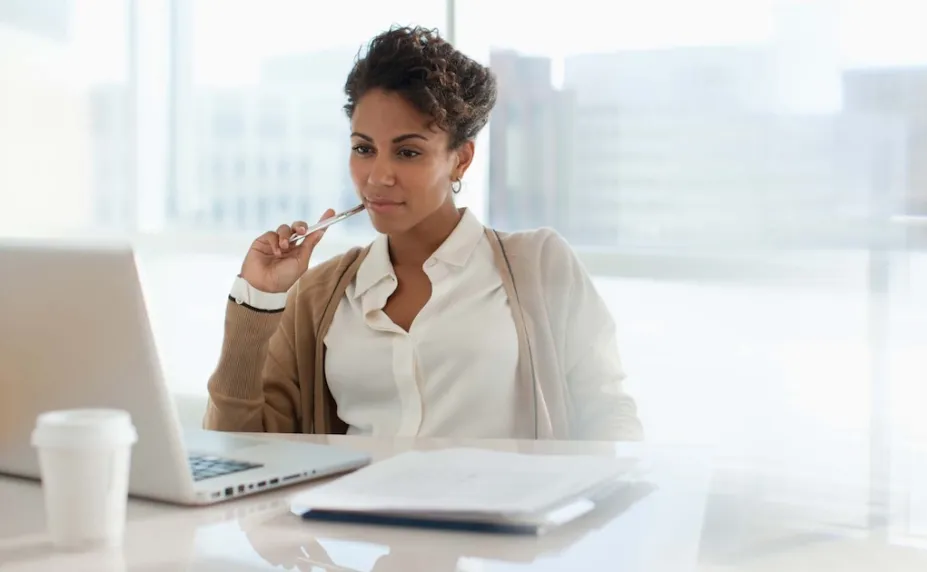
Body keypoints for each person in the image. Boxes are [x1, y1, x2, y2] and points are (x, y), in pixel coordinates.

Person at [202, 26, 642, 441]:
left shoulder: (541, 264)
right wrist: (258, 299)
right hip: (352, 521)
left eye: (408, 152)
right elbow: (239, 452)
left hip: (497, 519)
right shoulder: (319, 296)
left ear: (460, 160)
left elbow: (608, 417)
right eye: (363, 149)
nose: (378, 176)